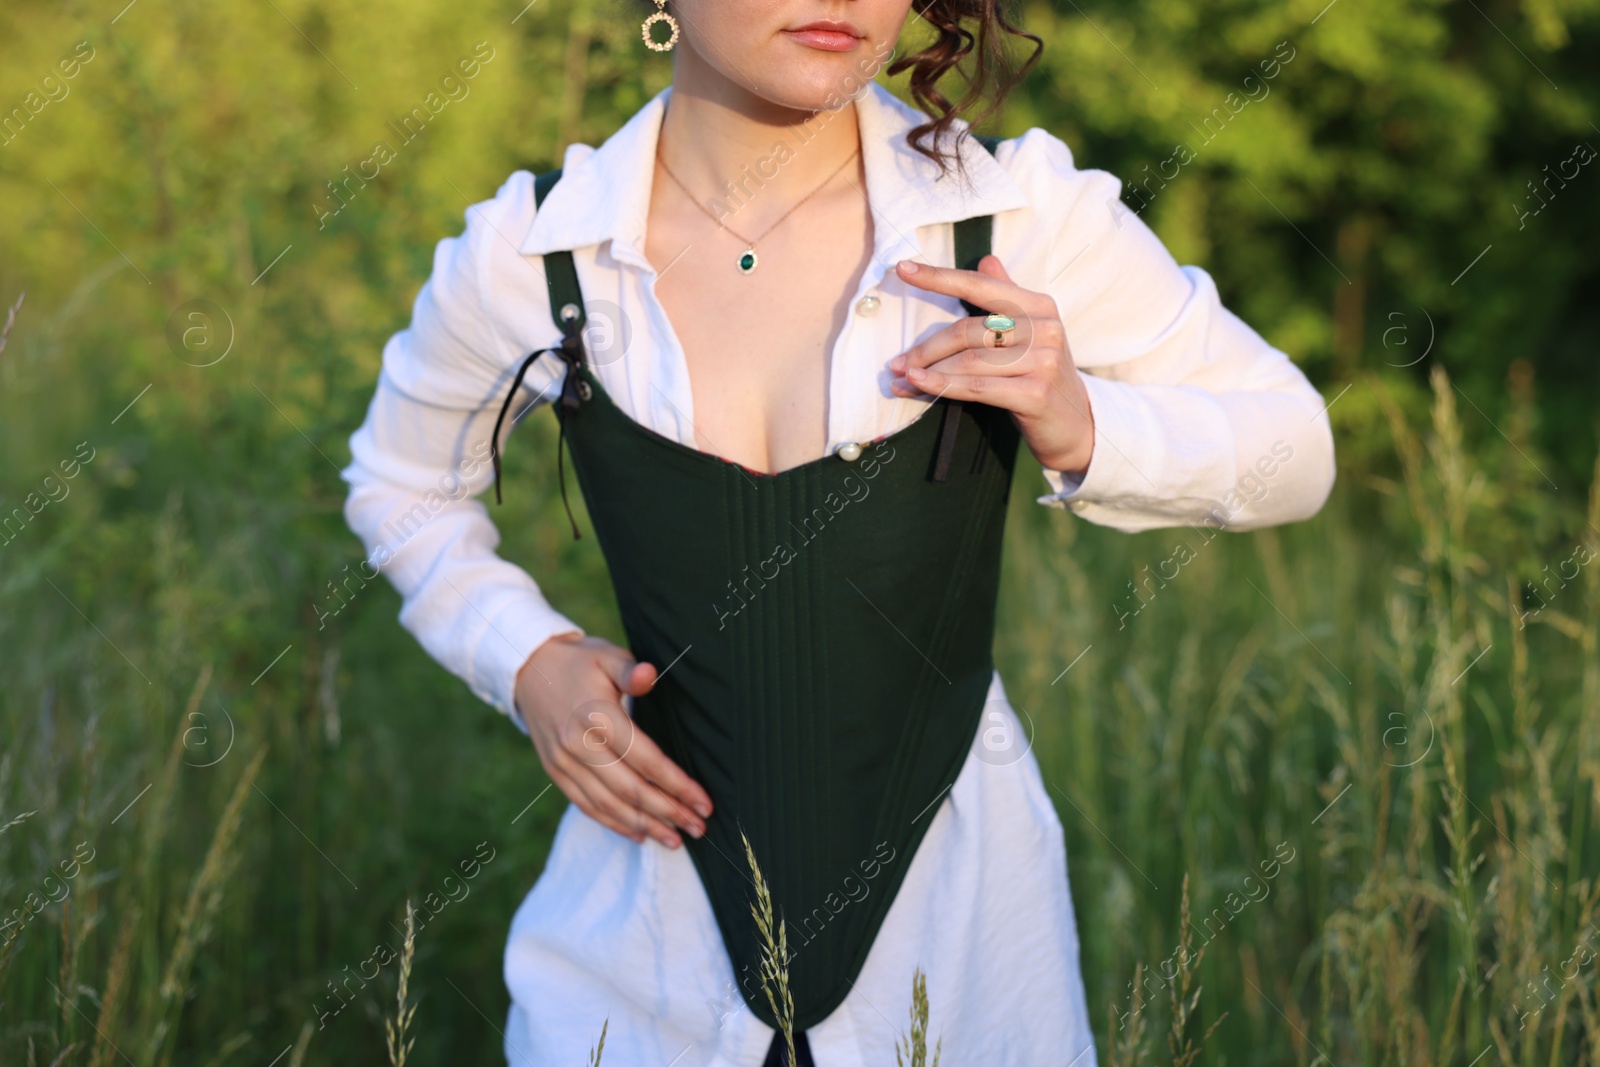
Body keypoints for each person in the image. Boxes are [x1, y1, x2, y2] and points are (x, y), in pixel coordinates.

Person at [340, 1, 1337, 1063]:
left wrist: (1079, 417)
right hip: (635, 974)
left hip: (962, 958)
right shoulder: (538, 254)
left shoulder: (1008, 217)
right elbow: (401, 485)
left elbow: (1295, 446)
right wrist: (526, 658)